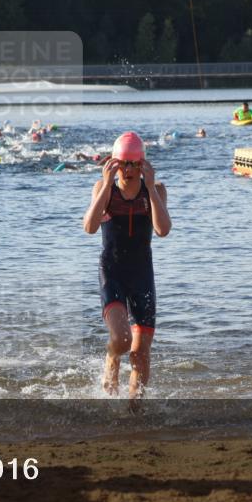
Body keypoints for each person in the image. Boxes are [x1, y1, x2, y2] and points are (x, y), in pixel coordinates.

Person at [82, 132, 171, 408]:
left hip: (142, 274)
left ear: (142, 164)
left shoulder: (156, 190)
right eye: (123, 164)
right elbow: (89, 227)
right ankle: (111, 357)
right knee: (121, 340)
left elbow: (163, 230)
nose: (128, 171)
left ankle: (134, 412)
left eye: (134, 164)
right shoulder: (103, 188)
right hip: (112, 273)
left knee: (140, 355)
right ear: (114, 163)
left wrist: (152, 189)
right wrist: (106, 186)